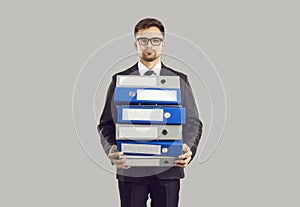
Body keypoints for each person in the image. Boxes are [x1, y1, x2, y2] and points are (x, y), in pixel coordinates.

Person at [97, 18, 203, 207]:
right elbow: (106, 123)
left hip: (169, 169)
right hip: (130, 169)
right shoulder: (119, 80)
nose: (149, 45)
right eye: (143, 40)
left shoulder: (179, 79)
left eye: (155, 40)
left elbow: (193, 122)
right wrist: (110, 148)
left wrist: (188, 147)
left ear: (163, 44)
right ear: (135, 44)